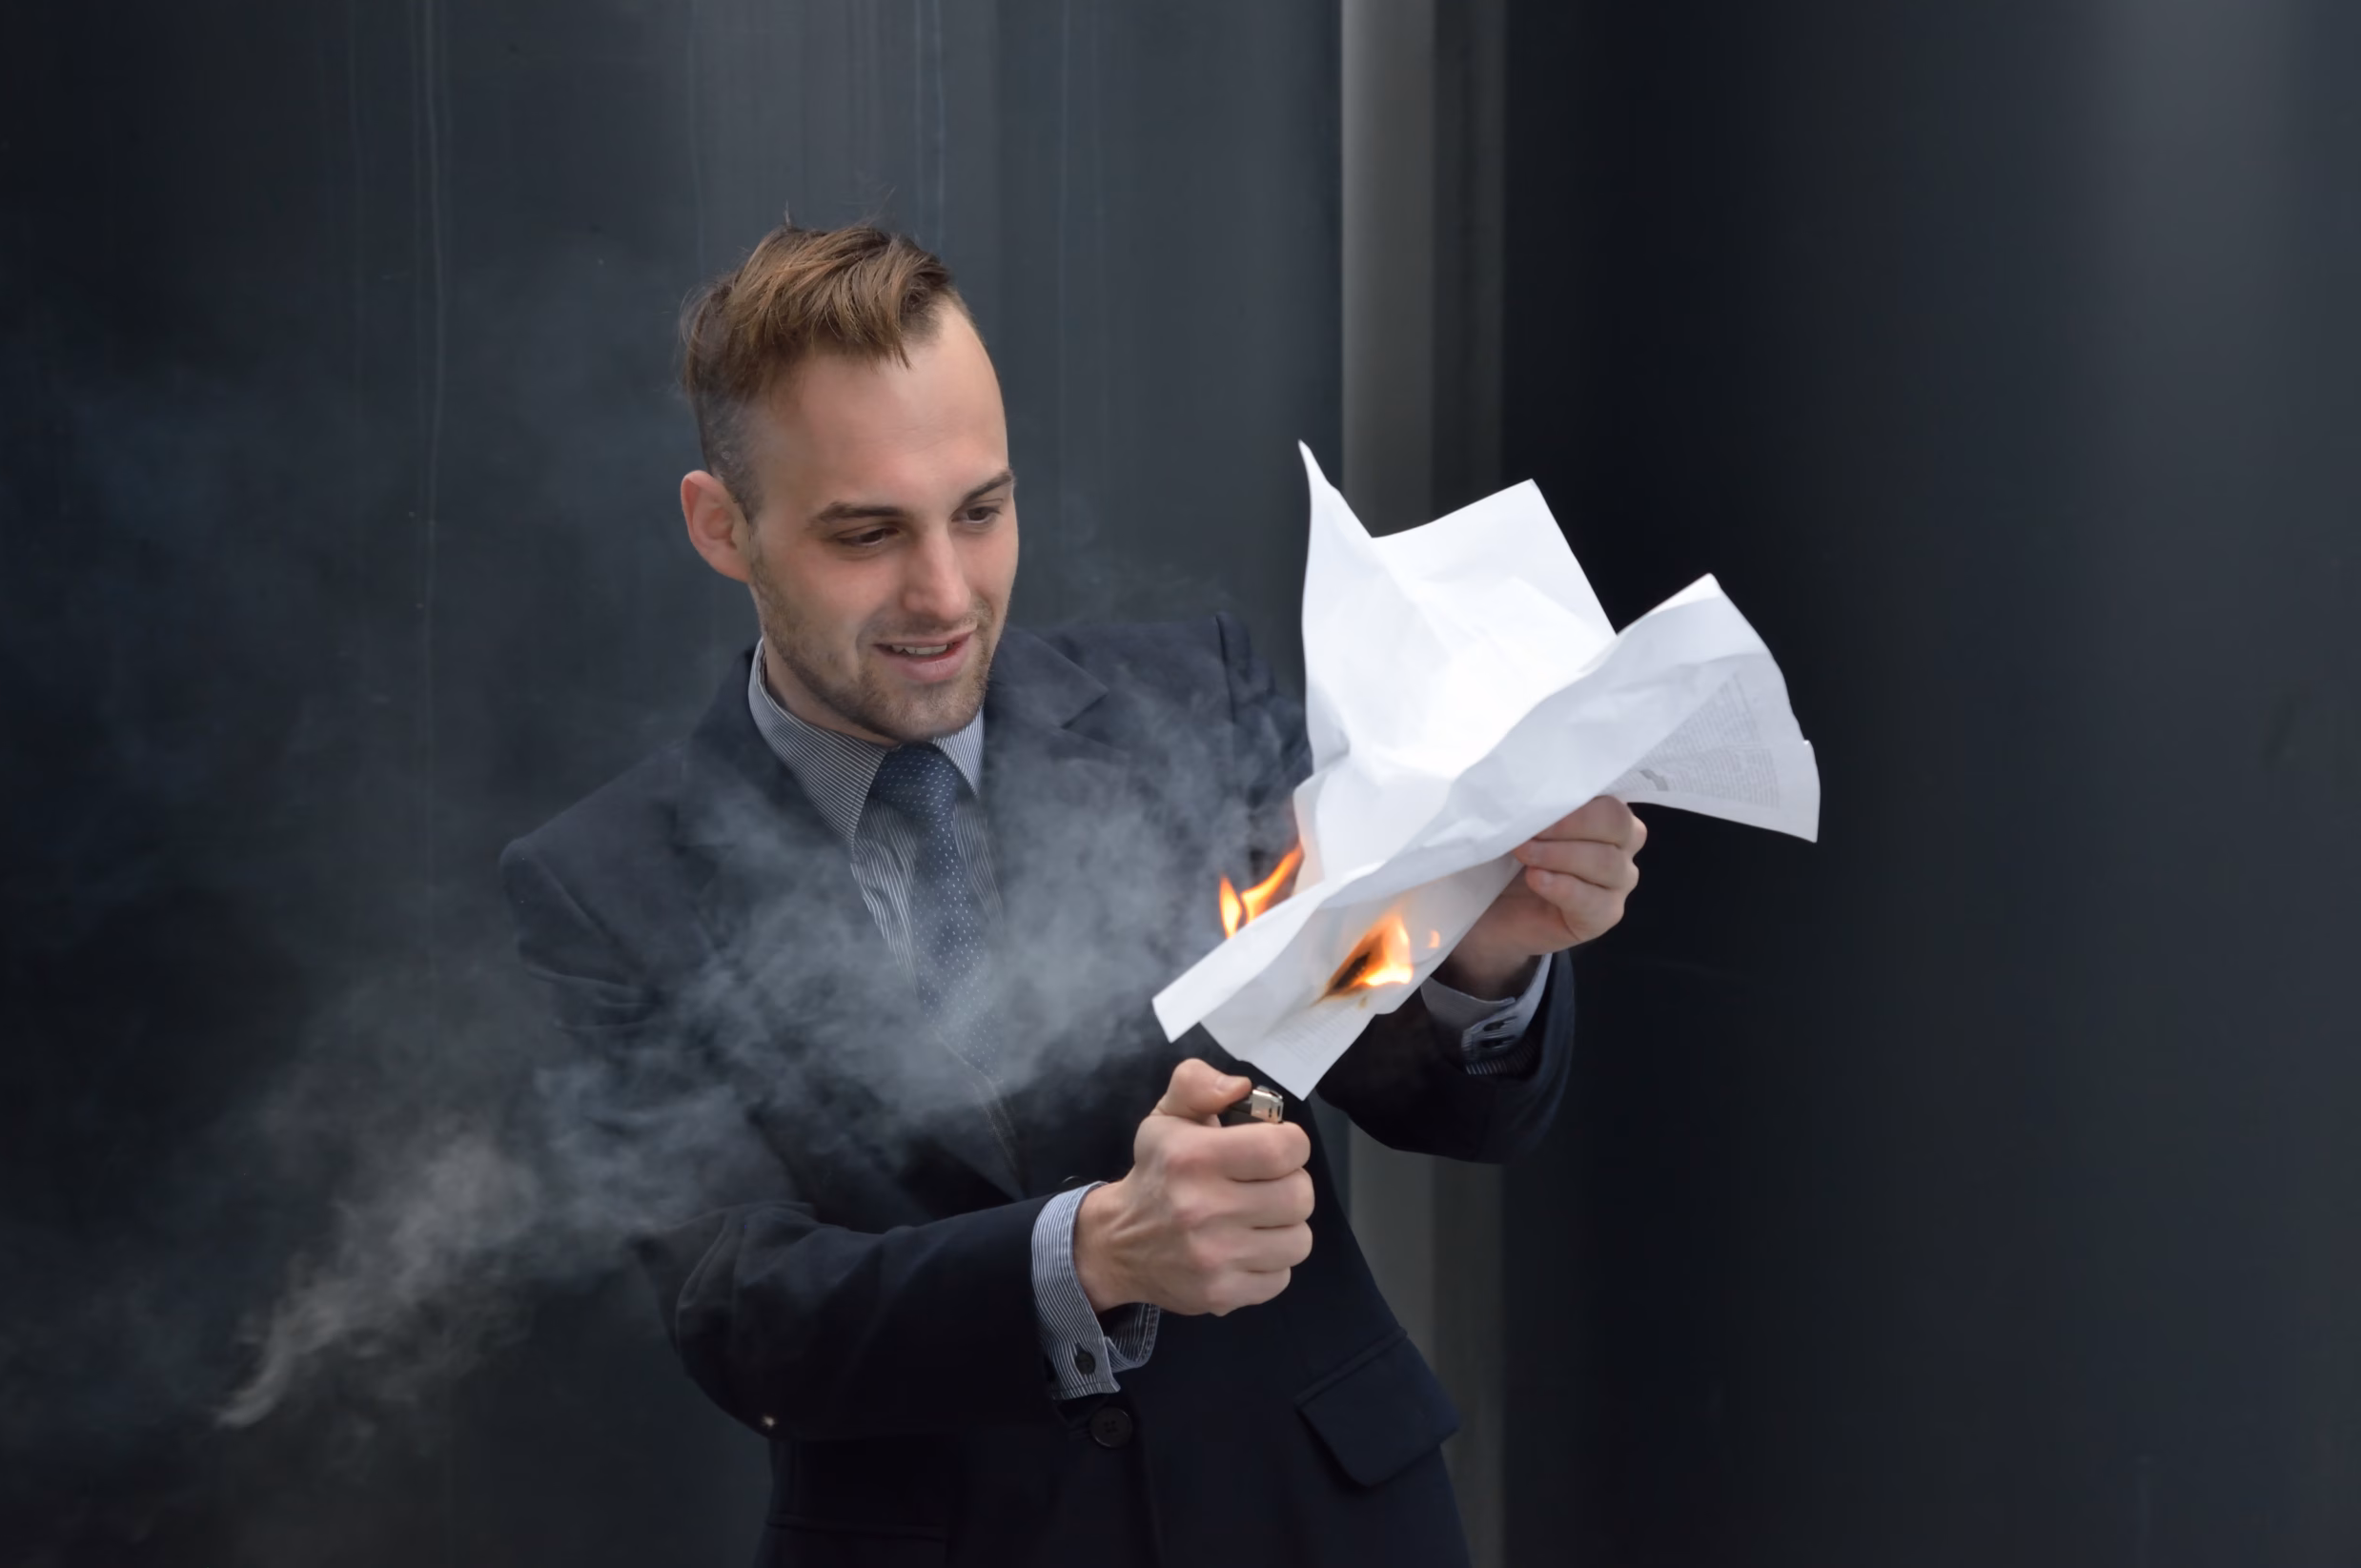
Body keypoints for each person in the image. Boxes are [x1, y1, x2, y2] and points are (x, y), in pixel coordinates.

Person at [500, 222, 1646, 1566]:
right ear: (723, 526)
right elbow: (743, 1313)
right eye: (866, 534)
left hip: (1313, 1520)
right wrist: (1089, 1251)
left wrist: (1476, 960)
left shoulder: (1188, 695)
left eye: (981, 512)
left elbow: (1407, 1070)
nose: (943, 593)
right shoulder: (606, 883)